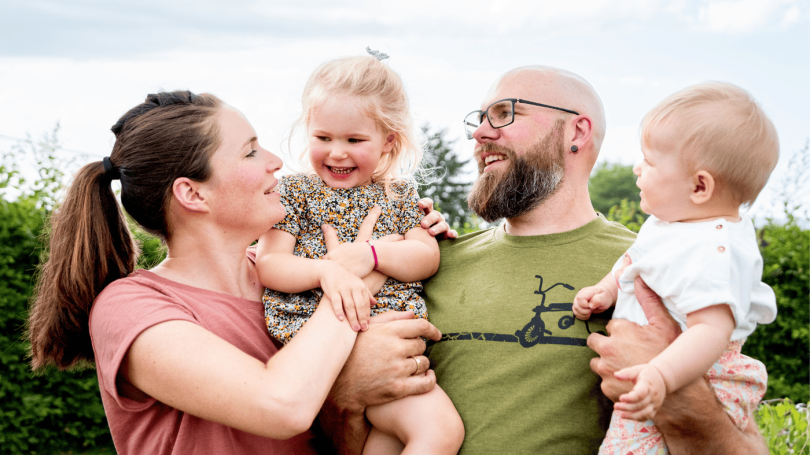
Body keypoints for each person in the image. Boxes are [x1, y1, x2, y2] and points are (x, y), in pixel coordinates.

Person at [26, 90, 451, 454]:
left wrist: (413, 239)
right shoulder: (131, 308)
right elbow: (282, 404)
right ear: (192, 193)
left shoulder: (295, 276)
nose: (276, 161)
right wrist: (357, 272)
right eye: (250, 151)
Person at [421, 66, 769, 454]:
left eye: (505, 113)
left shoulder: (662, 268)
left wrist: (674, 390)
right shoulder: (429, 264)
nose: (480, 132)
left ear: (577, 132)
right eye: (480, 118)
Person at [257, 55, 464, 454]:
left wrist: (370, 256)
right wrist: (328, 272)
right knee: (439, 431)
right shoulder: (295, 192)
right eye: (323, 138)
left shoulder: (398, 193)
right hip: (316, 339)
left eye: (354, 140)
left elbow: (425, 257)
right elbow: (270, 264)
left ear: (389, 140)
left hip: (390, 341)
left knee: (385, 442)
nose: (337, 153)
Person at [573, 82, 778, 454]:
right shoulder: (670, 224)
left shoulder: (716, 249)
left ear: (700, 186)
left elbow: (712, 331)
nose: (637, 168)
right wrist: (606, 289)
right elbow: (635, 258)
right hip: (656, 370)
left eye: (650, 162)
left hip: (698, 372)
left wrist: (660, 375)